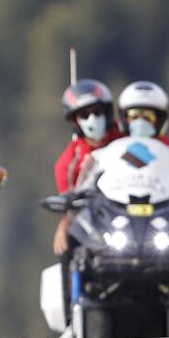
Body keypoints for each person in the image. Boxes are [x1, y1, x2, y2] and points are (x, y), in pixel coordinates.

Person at [53, 79, 123, 256]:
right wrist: (63, 226)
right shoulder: (68, 163)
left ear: (107, 112)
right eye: (84, 115)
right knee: (68, 241)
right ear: (75, 121)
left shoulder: (127, 141)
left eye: (97, 112)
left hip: (135, 214)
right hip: (96, 226)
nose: (92, 119)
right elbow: (68, 204)